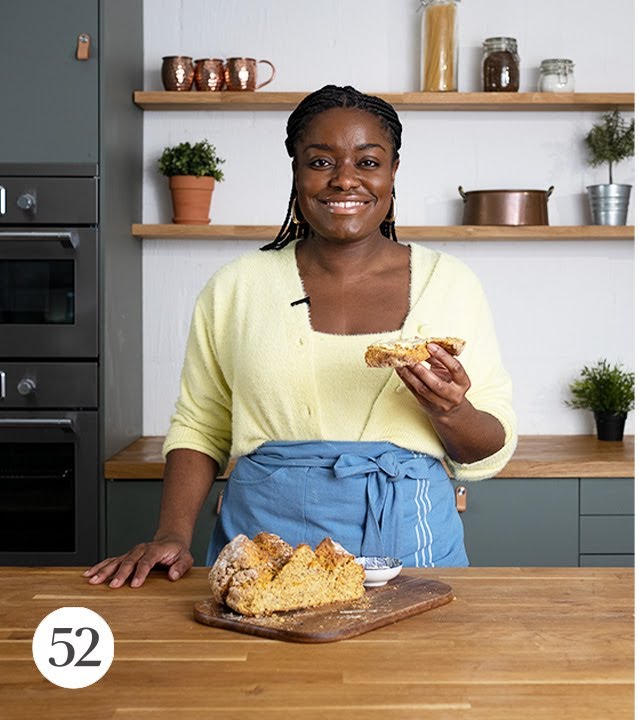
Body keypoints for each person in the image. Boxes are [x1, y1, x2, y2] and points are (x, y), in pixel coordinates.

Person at [86, 85, 516, 588]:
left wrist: (452, 411)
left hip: (413, 550)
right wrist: (173, 533)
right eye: (320, 162)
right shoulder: (236, 287)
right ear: (295, 171)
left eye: (368, 162)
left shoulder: (452, 284)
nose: (345, 180)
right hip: (266, 554)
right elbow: (201, 425)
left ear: (393, 171)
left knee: (420, 667)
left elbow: (487, 446)